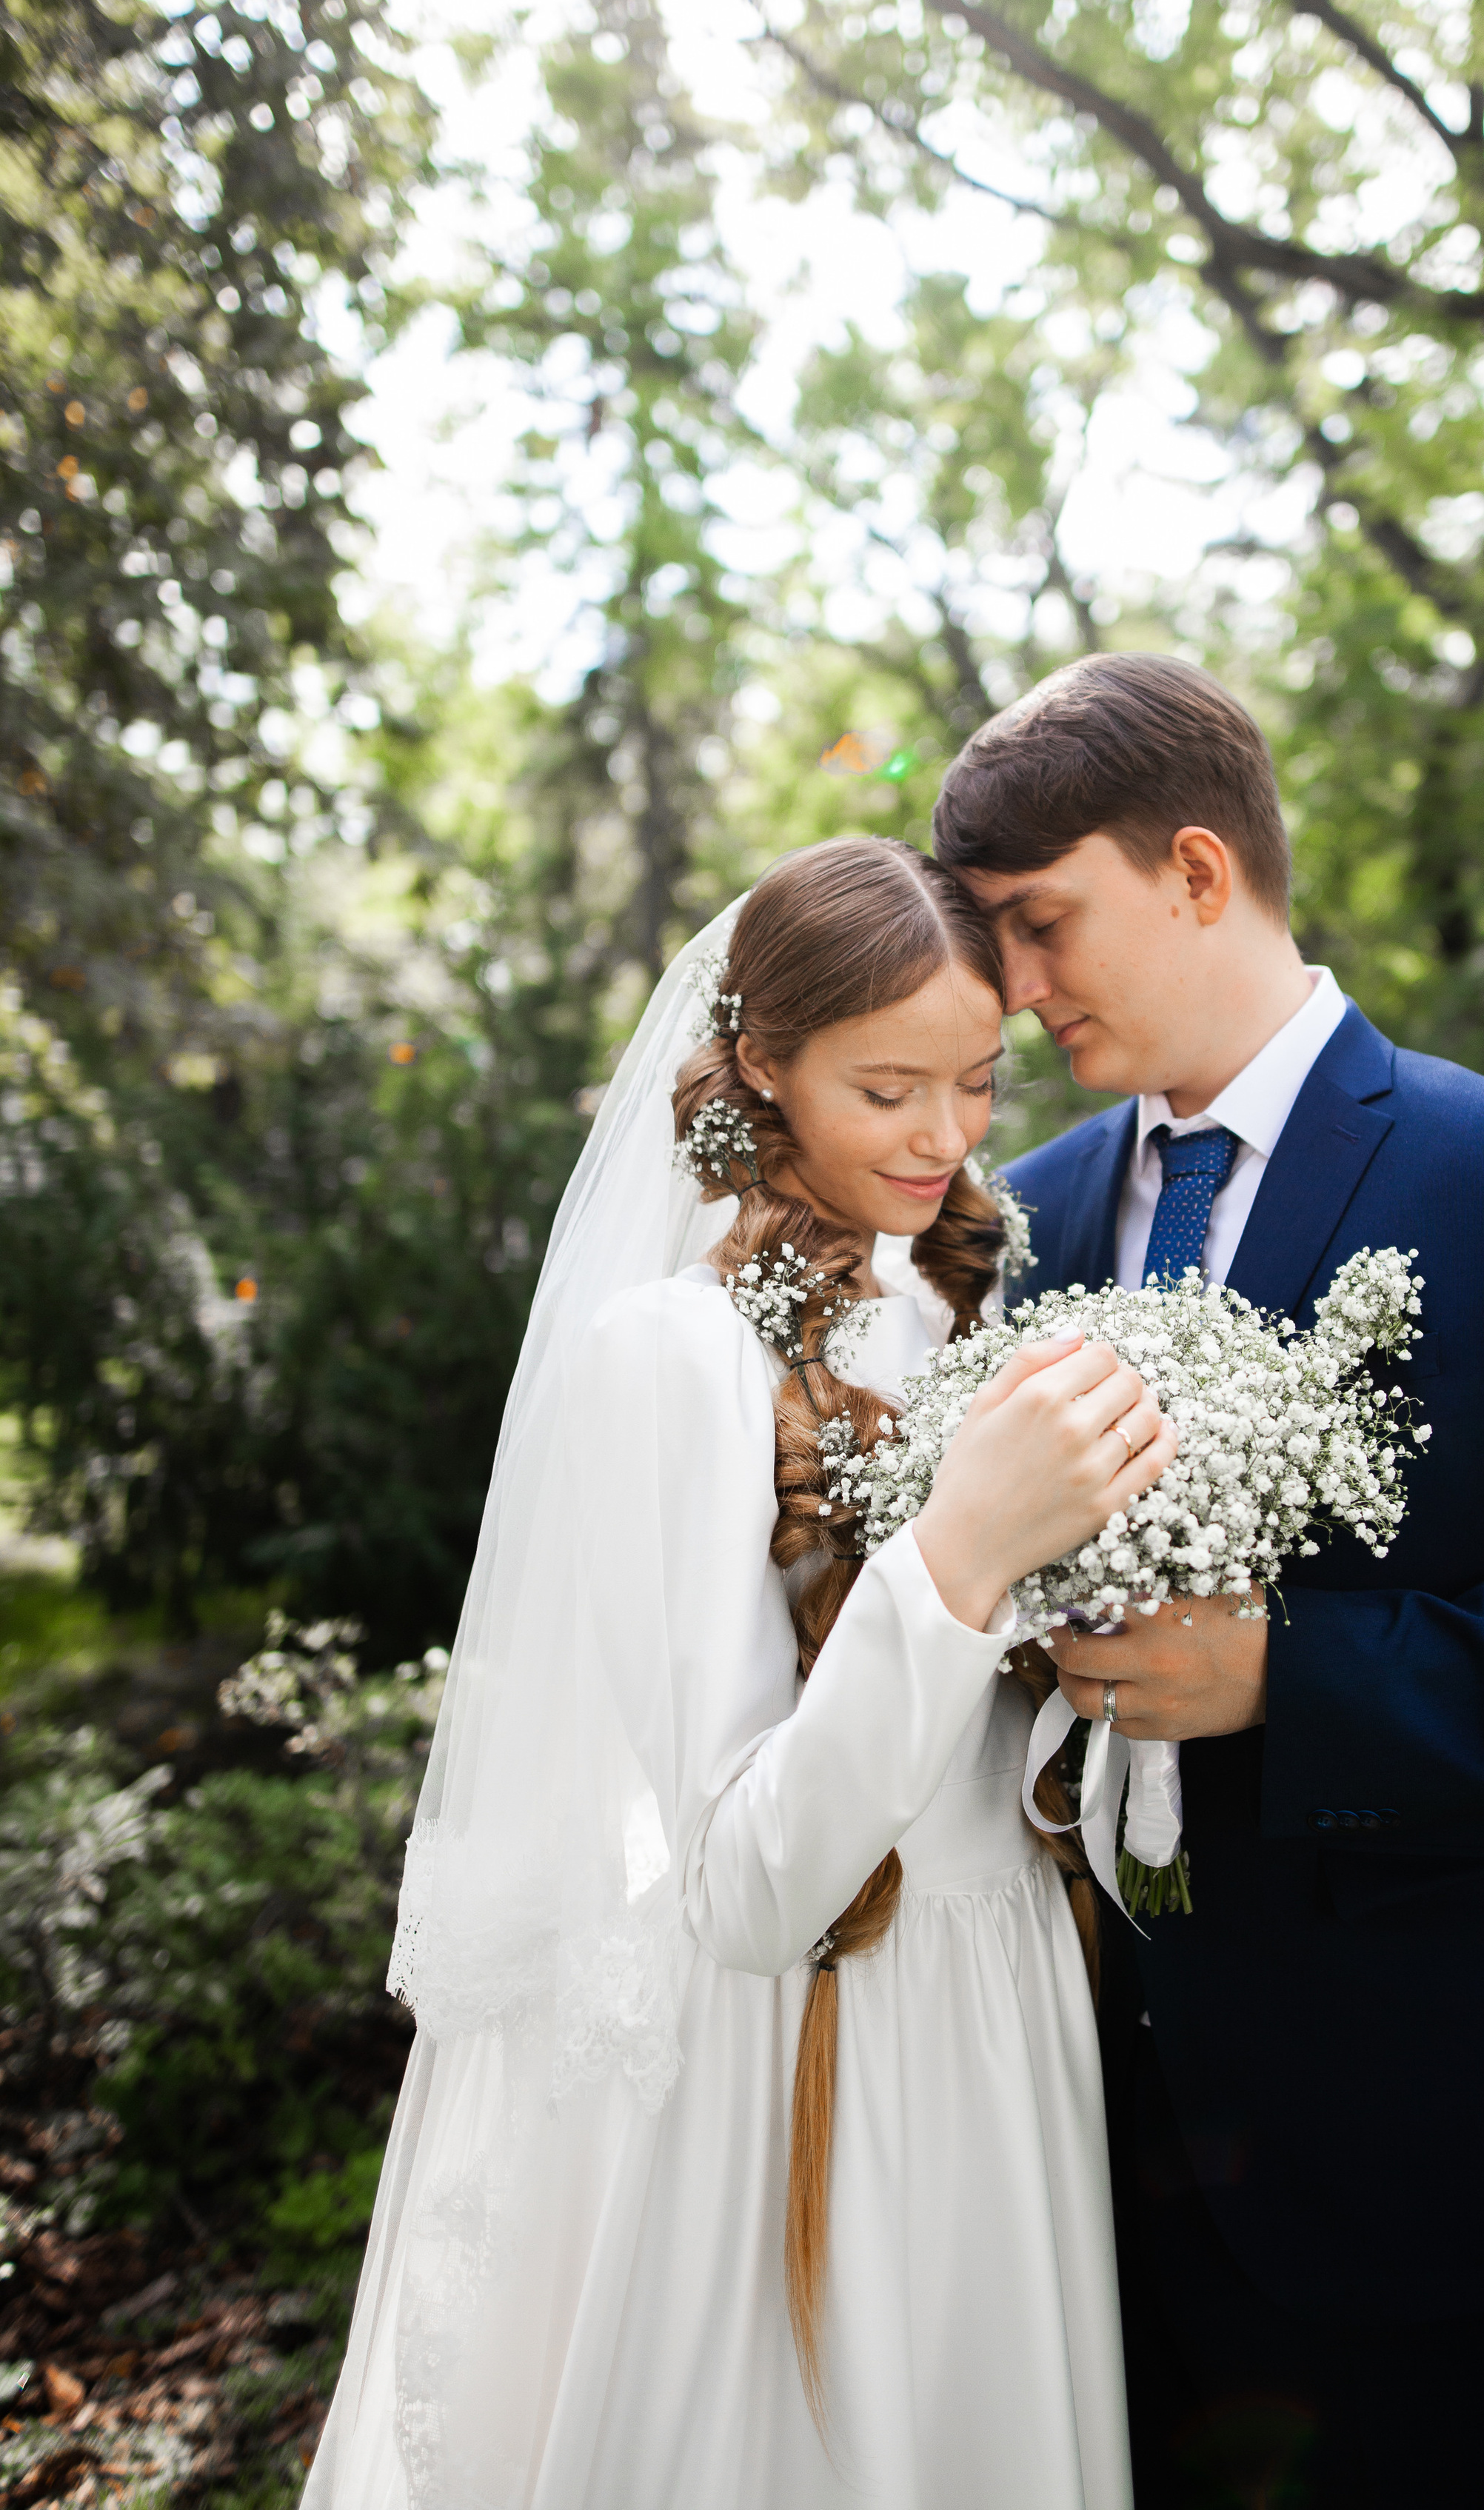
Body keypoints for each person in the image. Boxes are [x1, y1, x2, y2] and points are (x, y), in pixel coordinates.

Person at [932, 653, 1484, 2510]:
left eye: (1037, 924)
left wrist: (1288, 1676)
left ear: (1189, 870)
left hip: (1413, 2160)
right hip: (1075, 2152)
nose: (1011, 988)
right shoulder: (1034, 1215)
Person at [304, 836, 1174, 2510]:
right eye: (887, 1089)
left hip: (1003, 2029)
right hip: (822, 2062)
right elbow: (744, 1883)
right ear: (760, 1067)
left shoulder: (967, 1308)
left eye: (978, 1083)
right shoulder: (672, 1362)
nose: (943, 1138)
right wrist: (960, 1554)